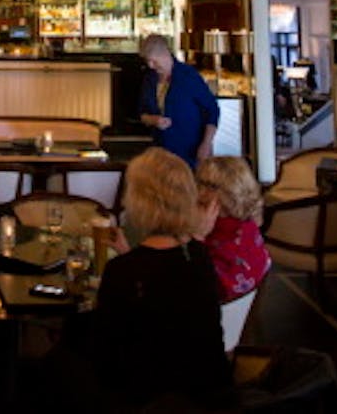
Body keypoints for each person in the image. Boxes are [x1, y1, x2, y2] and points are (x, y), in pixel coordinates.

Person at [90, 147, 233, 411]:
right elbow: (165, 277)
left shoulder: (123, 271)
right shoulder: (198, 257)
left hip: (148, 399)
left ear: (137, 201)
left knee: (61, 362)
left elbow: (106, 356)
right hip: (207, 395)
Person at [194, 156, 271, 300]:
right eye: (199, 183)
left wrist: (197, 236)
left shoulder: (225, 236)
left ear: (230, 192)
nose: (199, 191)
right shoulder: (246, 223)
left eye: (208, 186)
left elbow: (205, 283)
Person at [137, 33, 219, 166]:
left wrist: (206, 143)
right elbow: (142, 113)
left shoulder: (188, 76)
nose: (150, 65)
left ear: (165, 54)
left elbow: (212, 111)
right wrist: (153, 120)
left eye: (153, 61)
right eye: (147, 61)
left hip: (189, 153)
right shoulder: (149, 79)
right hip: (161, 153)